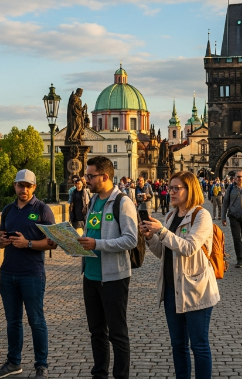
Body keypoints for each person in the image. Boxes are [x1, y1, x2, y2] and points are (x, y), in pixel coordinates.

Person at [141, 171, 220, 379]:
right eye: (170, 187)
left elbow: (189, 247)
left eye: (177, 188)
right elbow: (163, 252)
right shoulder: (169, 216)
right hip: (171, 289)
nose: (171, 191)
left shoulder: (201, 215)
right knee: (178, 345)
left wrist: (163, 232)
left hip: (196, 290)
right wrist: (151, 237)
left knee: (199, 345)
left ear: (190, 189)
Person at [0, 170, 58, 379]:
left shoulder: (42, 210)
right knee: (13, 321)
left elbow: (53, 242)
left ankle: (41, 365)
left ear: (34, 187)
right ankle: (13, 363)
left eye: (28, 186)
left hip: (32, 273)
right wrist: (1, 241)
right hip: (8, 272)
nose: (24, 189)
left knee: (36, 320)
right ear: (15, 186)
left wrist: (27, 243)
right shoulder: (8, 210)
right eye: (21, 185)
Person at [77, 156, 138, 379]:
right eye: (86, 176)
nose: (86, 180)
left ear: (104, 176)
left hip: (113, 277)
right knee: (96, 332)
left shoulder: (123, 202)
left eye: (90, 176)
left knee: (118, 334)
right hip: (91, 275)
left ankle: (121, 376)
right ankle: (99, 374)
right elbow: (91, 232)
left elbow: (131, 239)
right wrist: (77, 242)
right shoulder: (93, 201)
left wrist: (97, 244)